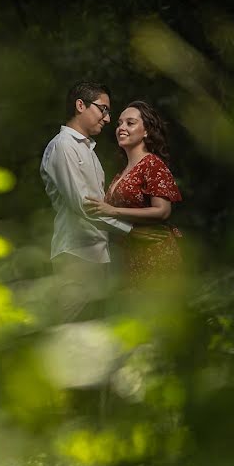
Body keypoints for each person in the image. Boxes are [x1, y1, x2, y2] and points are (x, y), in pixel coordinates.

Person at [40, 82, 157, 322]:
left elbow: (100, 206)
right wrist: (131, 232)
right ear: (80, 105)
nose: (107, 118)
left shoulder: (88, 151)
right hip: (75, 255)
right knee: (70, 334)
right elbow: (84, 206)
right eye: (102, 109)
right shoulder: (63, 146)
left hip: (98, 255)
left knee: (94, 336)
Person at [83, 100, 183, 287]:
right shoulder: (121, 173)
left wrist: (111, 211)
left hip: (155, 253)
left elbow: (162, 211)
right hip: (129, 257)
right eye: (119, 123)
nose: (121, 127)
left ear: (146, 131)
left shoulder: (152, 164)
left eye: (130, 123)